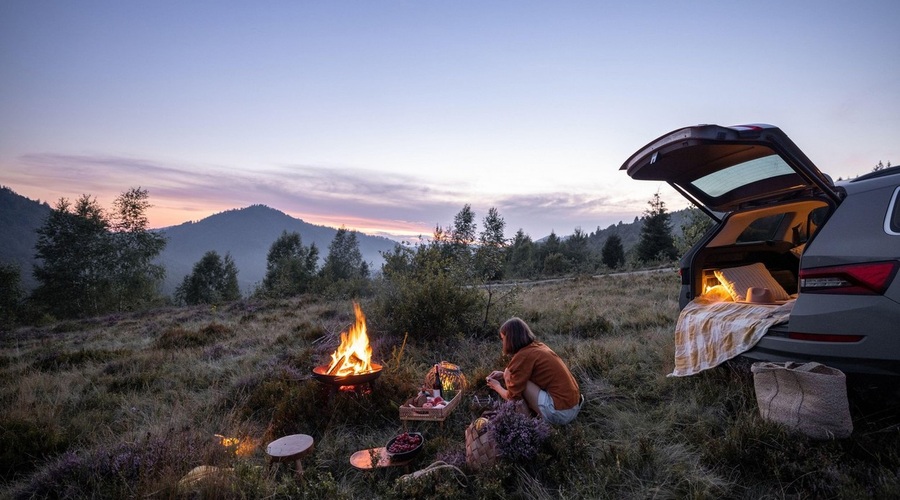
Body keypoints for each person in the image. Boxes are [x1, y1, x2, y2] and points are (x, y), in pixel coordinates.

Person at [485, 317, 583, 425]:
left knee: (511, 376)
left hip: (560, 413)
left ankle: (529, 426)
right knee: (510, 375)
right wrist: (503, 375)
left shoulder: (523, 356)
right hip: (573, 407)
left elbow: (512, 397)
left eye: (503, 338)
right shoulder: (538, 347)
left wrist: (497, 386)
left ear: (510, 339)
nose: (502, 342)